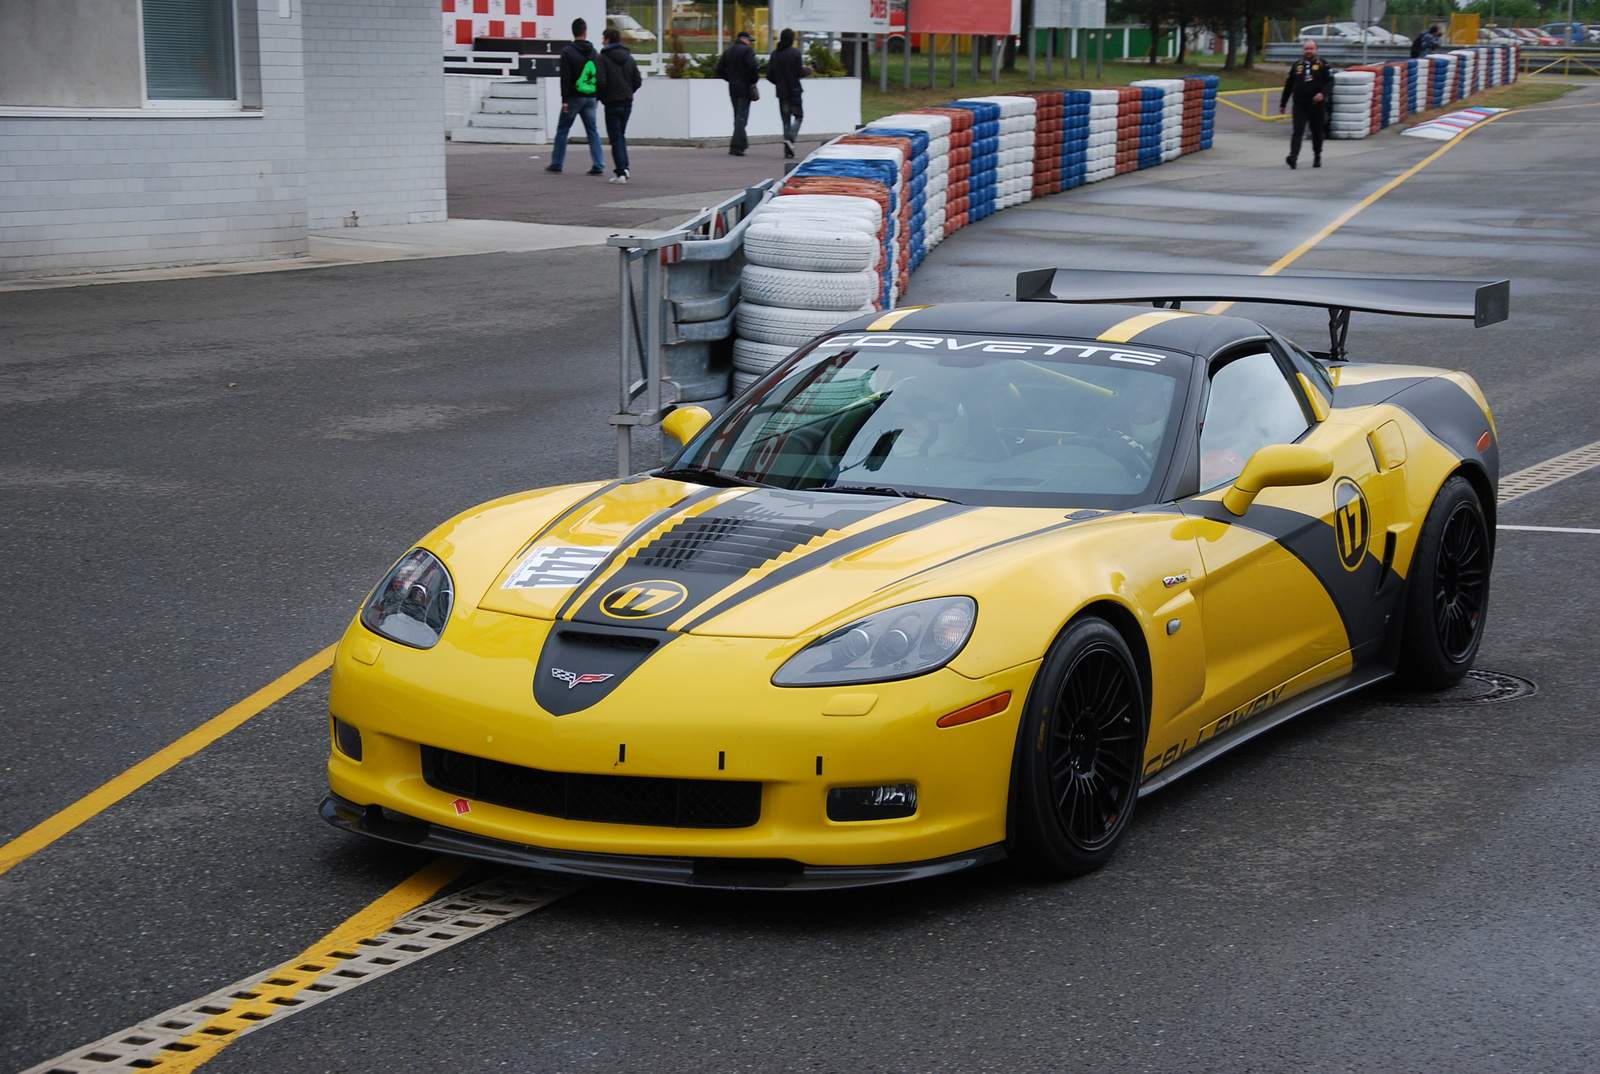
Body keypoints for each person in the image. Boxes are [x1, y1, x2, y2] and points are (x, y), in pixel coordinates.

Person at [547, 17, 606, 175]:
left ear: (573, 32)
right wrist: (597, 96)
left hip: (574, 96)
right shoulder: (593, 52)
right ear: (585, 32)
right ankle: (599, 164)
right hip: (590, 97)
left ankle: (557, 163)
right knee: (592, 131)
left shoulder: (568, 52)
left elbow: (565, 78)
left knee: (563, 129)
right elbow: (598, 75)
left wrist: (564, 99)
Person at [1279, 38, 1332, 170]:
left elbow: (1330, 82)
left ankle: (1317, 155)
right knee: (1298, 130)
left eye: (1311, 49)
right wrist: (1283, 103)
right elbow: (1289, 85)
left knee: (1317, 131)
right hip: (1299, 104)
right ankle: (1293, 157)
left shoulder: (1323, 64)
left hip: (1316, 104)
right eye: (1306, 49)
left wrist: (1322, 94)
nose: (1308, 51)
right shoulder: (1297, 65)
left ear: (1316, 50)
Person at [598, 26, 642, 184]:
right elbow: (637, 80)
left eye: (603, 38)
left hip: (612, 103)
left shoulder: (602, 58)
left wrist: (602, 97)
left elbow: (601, 82)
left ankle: (621, 171)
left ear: (608, 39)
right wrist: (629, 92)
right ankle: (624, 168)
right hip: (627, 102)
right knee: (620, 136)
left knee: (615, 137)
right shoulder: (629, 58)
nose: (602, 42)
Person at [714, 30, 759, 156]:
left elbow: (719, 69)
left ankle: (742, 142)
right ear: (743, 39)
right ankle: (736, 146)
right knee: (742, 117)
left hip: (733, 88)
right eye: (749, 40)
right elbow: (752, 67)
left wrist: (730, 78)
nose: (750, 43)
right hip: (744, 88)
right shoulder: (747, 51)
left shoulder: (729, 51)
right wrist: (753, 79)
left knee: (737, 116)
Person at [767, 28, 808, 159]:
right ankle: (790, 138)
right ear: (792, 39)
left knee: (785, 120)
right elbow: (800, 73)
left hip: (781, 91)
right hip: (794, 90)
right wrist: (810, 69)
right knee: (799, 116)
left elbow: (769, 74)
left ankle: (787, 149)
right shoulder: (795, 53)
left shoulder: (775, 54)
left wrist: (779, 82)